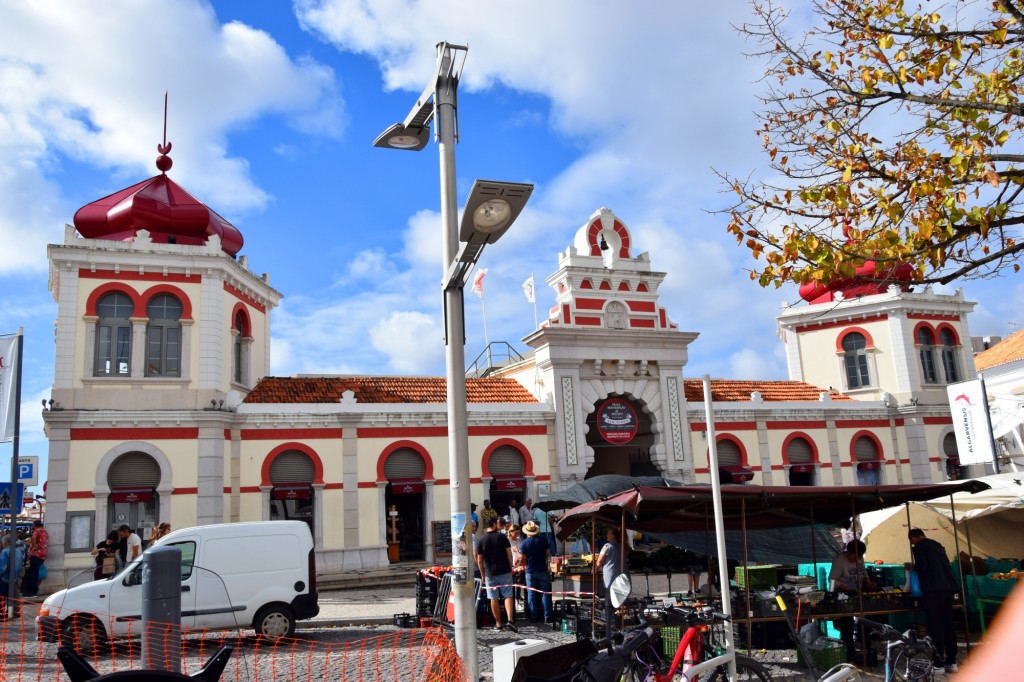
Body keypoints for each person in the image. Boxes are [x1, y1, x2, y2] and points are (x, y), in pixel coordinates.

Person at [909, 528, 959, 673]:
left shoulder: (919, 548)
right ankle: (952, 662)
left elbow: (922, 568)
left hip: (932, 591)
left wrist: (913, 567)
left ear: (914, 538)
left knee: (935, 626)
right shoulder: (938, 546)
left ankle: (938, 664)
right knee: (949, 625)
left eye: (911, 541)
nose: (912, 544)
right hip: (947, 589)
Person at [829, 539, 876, 662]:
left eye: (858, 557)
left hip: (858, 593)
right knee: (847, 624)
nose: (856, 560)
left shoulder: (860, 557)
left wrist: (868, 581)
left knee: (865, 621)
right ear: (849, 553)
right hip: (844, 595)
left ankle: (866, 648)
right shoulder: (839, 561)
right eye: (854, 557)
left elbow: (863, 571)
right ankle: (849, 651)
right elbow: (832, 580)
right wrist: (843, 586)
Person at [475, 515, 518, 632]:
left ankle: (498, 624)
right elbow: (509, 554)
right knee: (508, 595)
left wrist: (483, 574)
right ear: (494, 524)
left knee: (493, 597)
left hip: (490, 572)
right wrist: (511, 567)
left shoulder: (481, 540)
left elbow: (479, 560)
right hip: (504, 570)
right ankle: (510, 620)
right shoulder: (502, 537)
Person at [595, 528, 629, 635]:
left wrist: (594, 569)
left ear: (612, 536)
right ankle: (621, 625)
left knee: (609, 604)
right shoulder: (624, 546)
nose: (606, 535)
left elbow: (599, 561)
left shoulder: (607, 546)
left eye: (608, 533)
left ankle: (610, 630)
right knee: (620, 601)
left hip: (610, 579)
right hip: (623, 578)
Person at [519, 520, 553, 623]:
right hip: (542, 569)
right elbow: (548, 553)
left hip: (530, 570)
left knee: (531, 594)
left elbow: (521, 558)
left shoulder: (524, 543)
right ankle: (547, 616)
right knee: (545, 593)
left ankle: (533, 616)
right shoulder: (543, 540)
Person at [21, 520, 48, 598]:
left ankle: (32, 591)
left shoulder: (36, 530)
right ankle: (29, 590)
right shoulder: (44, 531)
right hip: (43, 554)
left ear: (35, 525)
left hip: (36, 553)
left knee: (33, 573)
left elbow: (33, 538)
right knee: (32, 572)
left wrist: (34, 546)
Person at [0, 534, 25, 617]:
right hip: (15, 576)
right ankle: (13, 611)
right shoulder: (18, 551)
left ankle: (2, 613)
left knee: (2, 596)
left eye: (2, 543)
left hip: (5, 577)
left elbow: (2, 567)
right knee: (14, 594)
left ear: (6, 543)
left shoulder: (5, 552)